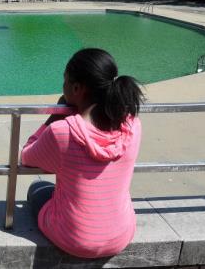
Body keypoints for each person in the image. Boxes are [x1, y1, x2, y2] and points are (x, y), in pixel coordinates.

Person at [21, 48, 144, 258]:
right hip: (121, 235)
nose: (63, 86)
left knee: (38, 187)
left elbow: (26, 157)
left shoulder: (63, 131)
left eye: (66, 81)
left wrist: (55, 116)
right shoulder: (132, 125)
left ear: (76, 88)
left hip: (75, 239)